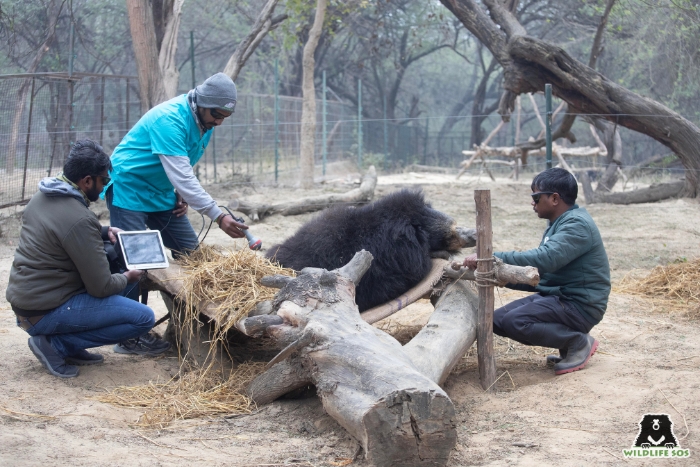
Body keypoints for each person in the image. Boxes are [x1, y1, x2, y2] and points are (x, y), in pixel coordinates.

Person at [104, 72, 249, 355]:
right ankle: (129, 335)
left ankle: (196, 323)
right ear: (202, 103)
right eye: (216, 114)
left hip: (161, 194)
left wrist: (180, 196)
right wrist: (218, 216)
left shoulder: (203, 122)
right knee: (136, 260)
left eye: (224, 117)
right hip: (130, 188)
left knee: (193, 255)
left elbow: (183, 167)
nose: (219, 122)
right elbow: (182, 173)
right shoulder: (169, 120)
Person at [6, 140, 160, 378]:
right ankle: (58, 345)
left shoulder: (43, 195)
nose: (105, 186)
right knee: (143, 318)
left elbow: (61, 230)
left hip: (28, 303)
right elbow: (101, 287)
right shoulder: (79, 219)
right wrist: (129, 277)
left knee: (109, 254)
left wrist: (101, 231)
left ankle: (71, 345)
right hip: (45, 311)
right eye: (104, 181)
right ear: (87, 181)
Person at [463, 168, 611, 375]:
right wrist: (500, 275)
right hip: (559, 297)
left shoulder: (576, 225)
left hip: (579, 305)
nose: (532, 203)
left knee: (515, 321)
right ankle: (569, 344)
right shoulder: (559, 223)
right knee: (495, 320)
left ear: (554, 198)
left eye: (536, 197)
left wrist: (490, 260)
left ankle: (577, 341)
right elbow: (543, 276)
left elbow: (545, 260)